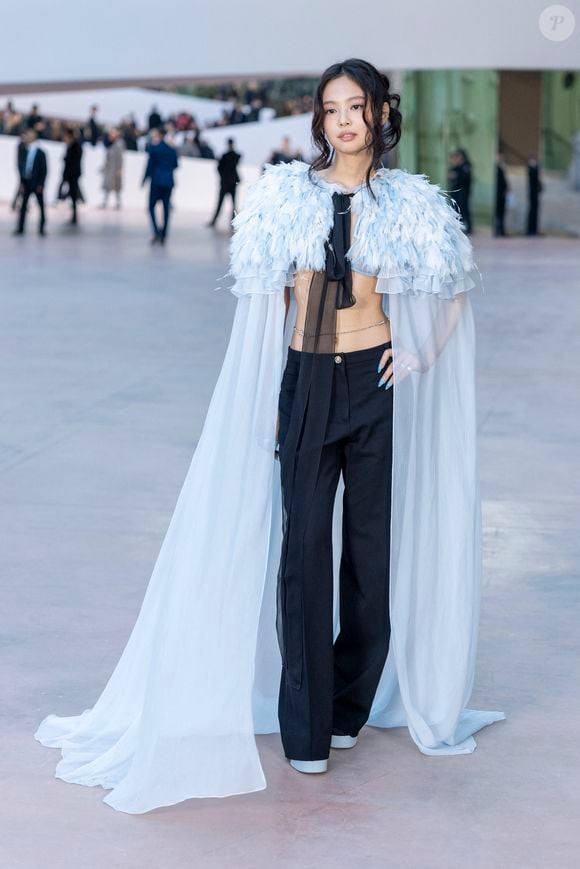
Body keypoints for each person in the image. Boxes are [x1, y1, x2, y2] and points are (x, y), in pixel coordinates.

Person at [34, 57, 505, 814]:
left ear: (383, 115)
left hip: (374, 385)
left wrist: (420, 351)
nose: (345, 119)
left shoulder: (411, 203)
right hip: (308, 379)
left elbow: (455, 286)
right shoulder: (286, 196)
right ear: (319, 120)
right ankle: (308, 725)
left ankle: (350, 703)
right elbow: (264, 312)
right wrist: (265, 400)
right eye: (331, 108)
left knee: (371, 553)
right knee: (304, 552)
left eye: (358, 106)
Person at [141, 126, 179, 245]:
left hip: (156, 181)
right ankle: (164, 234)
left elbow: (150, 166)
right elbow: (176, 165)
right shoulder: (172, 150)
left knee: (151, 206)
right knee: (166, 208)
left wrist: (144, 179)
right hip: (168, 182)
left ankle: (156, 231)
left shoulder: (154, 148)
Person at [13, 129, 47, 236]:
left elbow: (44, 170)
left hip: (37, 184)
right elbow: (23, 168)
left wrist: (41, 184)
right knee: (23, 206)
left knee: (41, 207)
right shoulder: (24, 150)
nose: (26, 137)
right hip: (27, 183)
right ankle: (20, 228)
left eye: (29, 135)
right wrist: (22, 183)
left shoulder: (41, 153)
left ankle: (41, 229)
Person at [206, 137, 241, 227]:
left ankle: (215, 221)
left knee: (222, 203)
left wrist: (223, 177)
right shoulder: (234, 156)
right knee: (232, 203)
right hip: (231, 182)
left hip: (226, 183)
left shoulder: (225, 156)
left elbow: (219, 168)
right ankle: (232, 222)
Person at [59, 129, 84, 226]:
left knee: (73, 195)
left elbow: (74, 162)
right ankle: (73, 215)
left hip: (73, 175)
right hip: (70, 175)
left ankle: (74, 216)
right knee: (72, 194)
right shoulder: (71, 146)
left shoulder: (76, 147)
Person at [448, 148, 472, 234]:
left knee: (464, 209)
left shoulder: (466, 166)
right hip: (456, 192)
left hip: (463, 192)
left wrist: (456, 176)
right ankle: (457, 226)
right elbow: (450, 176)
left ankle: (467, 227)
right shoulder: (456, 167)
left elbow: (465, 178)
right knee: (455, 209)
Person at [99, 126, 125, 209]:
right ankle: (105, 203)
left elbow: (120, 158)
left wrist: (119, 169)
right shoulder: (110, 144)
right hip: (110, 170)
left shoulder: (118, 145)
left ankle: (117, 203)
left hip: (115, 170)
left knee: (116, 187)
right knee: (108, 187)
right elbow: (107, 159)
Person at [526, 152, 543, 236]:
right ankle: (531, 230)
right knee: (532, 212)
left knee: (535, 212)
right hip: (532, 193)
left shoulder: (534, 167)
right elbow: (534, 179)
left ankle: (534, 230)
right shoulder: (531, 167)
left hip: (535, 193)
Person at [494, 150, 509, 237]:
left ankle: (501, 230)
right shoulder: (496, 169)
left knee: (501, 213)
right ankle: (499, 230)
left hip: (501, 195)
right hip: (498, 195)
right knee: (498, 214)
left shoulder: (501, 168)